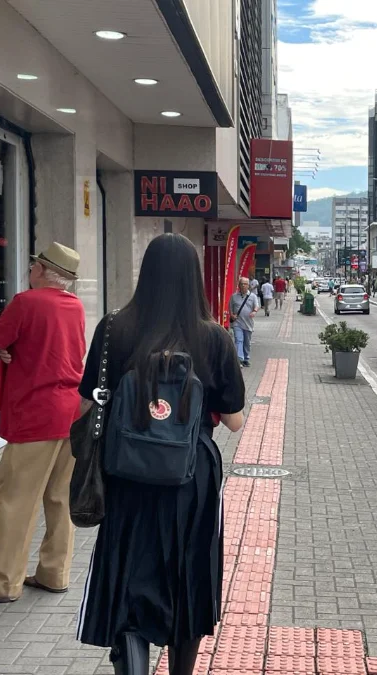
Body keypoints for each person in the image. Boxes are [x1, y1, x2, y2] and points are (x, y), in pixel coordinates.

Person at [76, 233, 246, 675]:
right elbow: (234, 419)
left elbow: (88, 402)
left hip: (126, 473)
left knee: (131, 567)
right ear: (194, 279)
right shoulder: (215, 337)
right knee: (189, 576)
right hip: (192, 478)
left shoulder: (114, 327)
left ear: (145, 273)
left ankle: (132, 659)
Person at [0, 242, 86, 604]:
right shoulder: (74, 306)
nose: (30, 270)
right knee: (59, 498)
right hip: (70, 412)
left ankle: (1, 583)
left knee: (14, 500)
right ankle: (55, 574)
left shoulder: (26, 302)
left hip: (35, 414)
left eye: (35, 266)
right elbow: (49, 347)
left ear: (42, 271)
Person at [229, 277, 260, 367]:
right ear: (239, 285)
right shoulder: (234, 296)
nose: (243, 286)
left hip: (248, 323)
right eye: (241, 284)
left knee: (247, 342)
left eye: (245, 284)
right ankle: (240, 359)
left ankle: (246, 358)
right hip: (237, 323)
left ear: (248, 285)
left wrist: (254, 312)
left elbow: (256, 306)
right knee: (239, 340)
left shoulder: (253, 296)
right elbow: (230, 308)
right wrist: (232, 315)